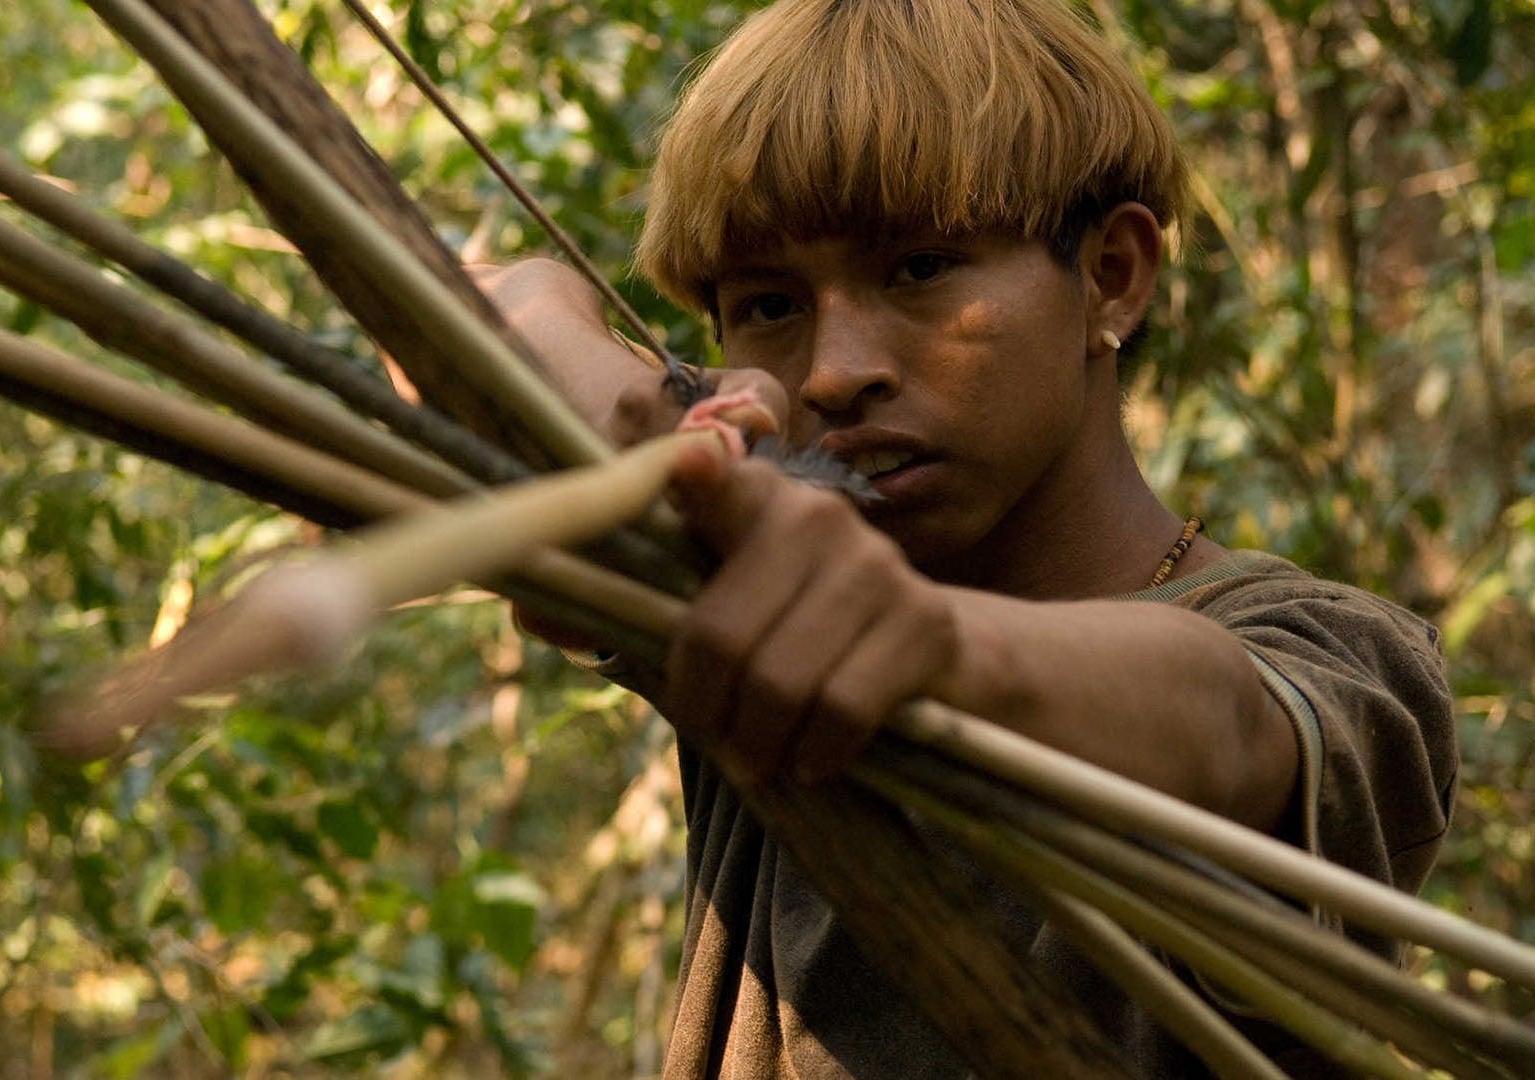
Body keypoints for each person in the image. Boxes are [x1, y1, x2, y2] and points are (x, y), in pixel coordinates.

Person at [473, 0, 1456, 1075]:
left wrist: (931, 648)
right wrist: (639, 421)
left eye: (920, 269)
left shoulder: (1343, 658)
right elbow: (479, 306)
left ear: (1111, 275)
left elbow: (1224, 723)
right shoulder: (748, 580)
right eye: (767, 303)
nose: (832, 372)